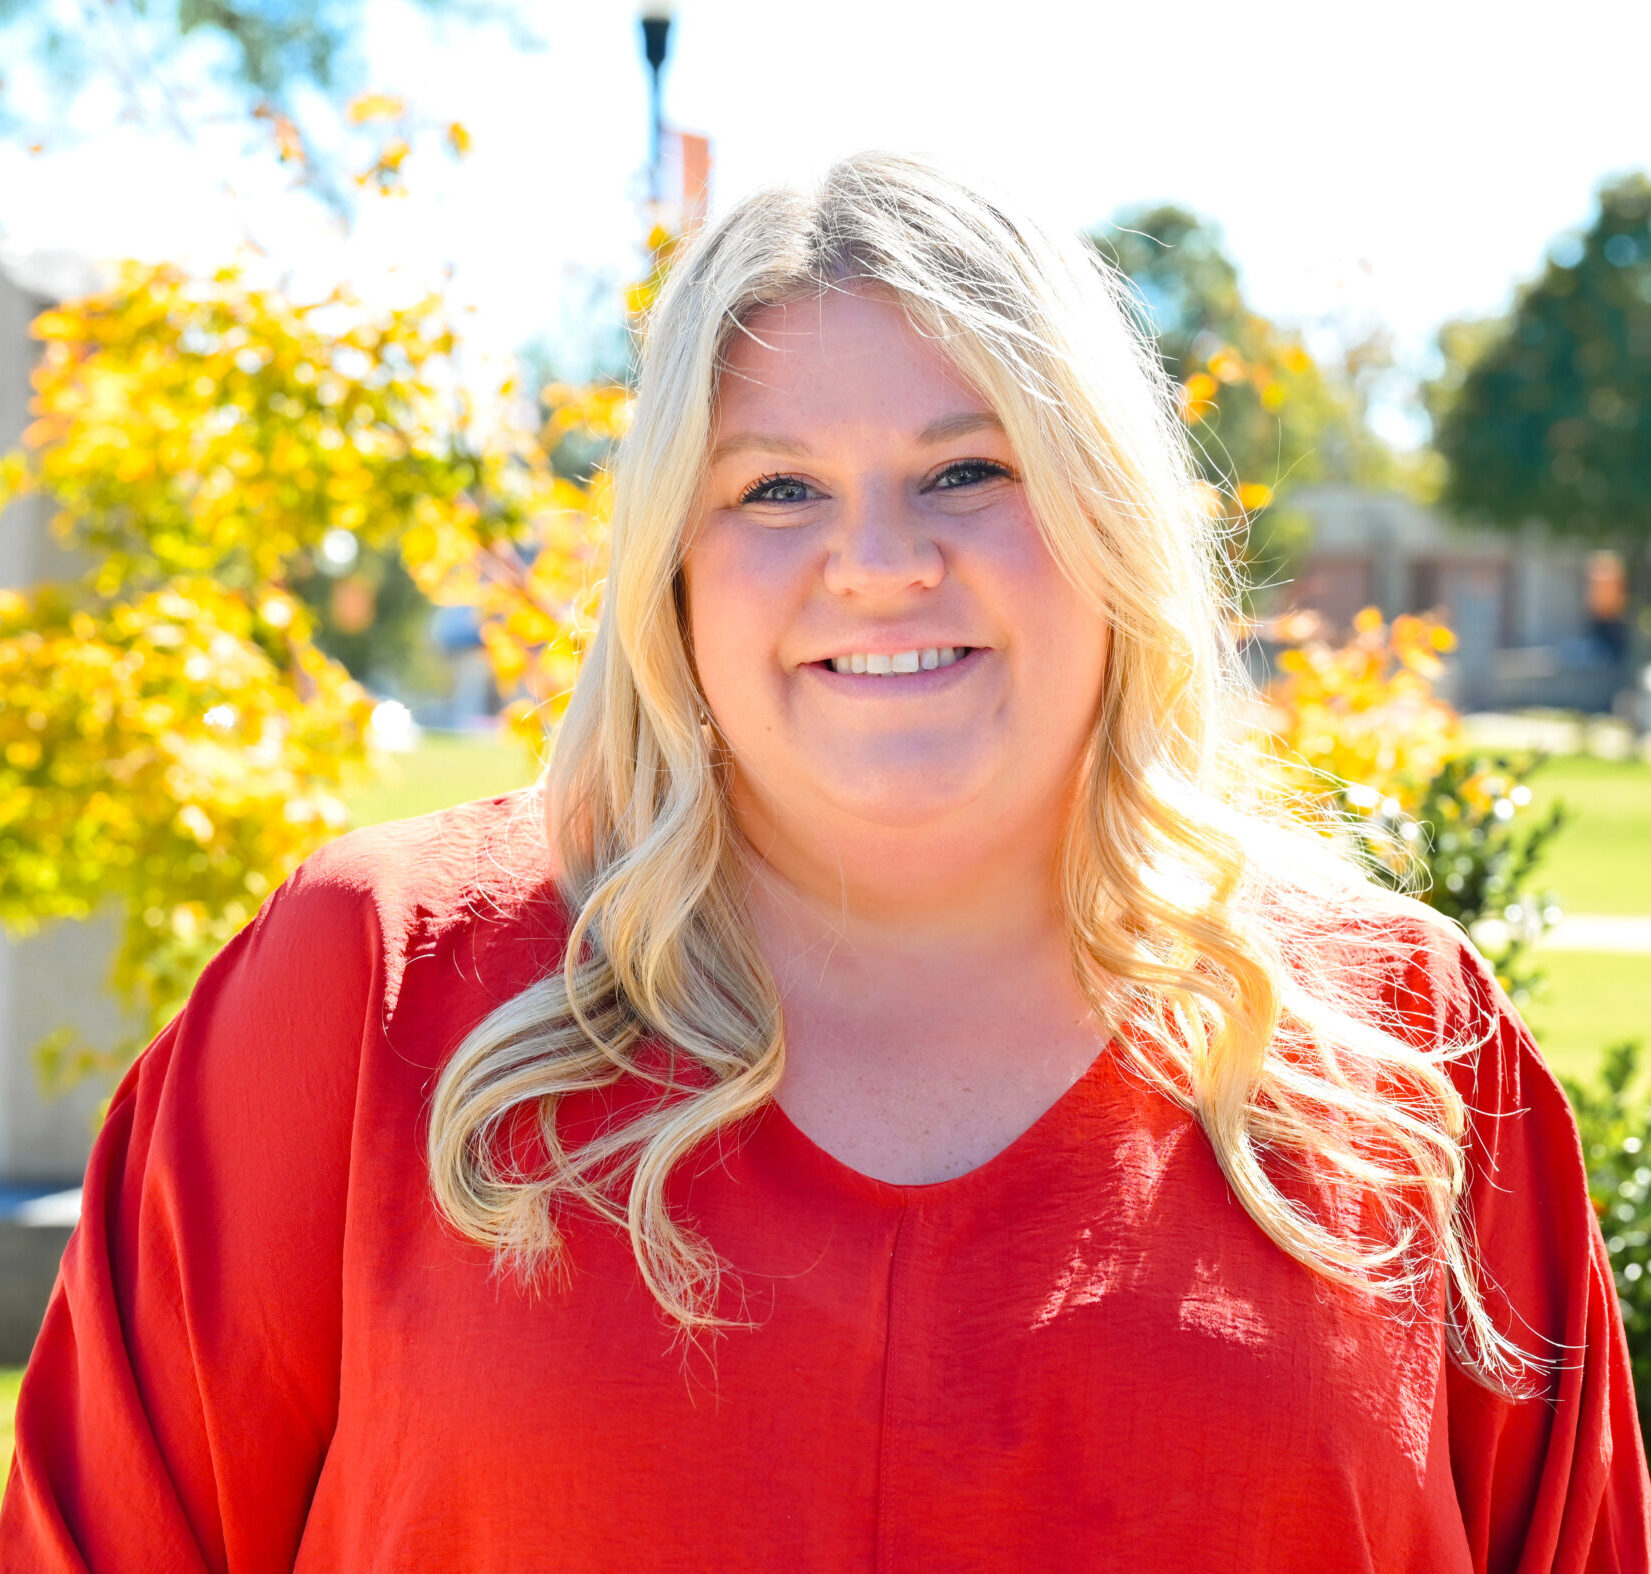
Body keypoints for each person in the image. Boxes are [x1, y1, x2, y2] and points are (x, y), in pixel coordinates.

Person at [2, 153, 1647, 1573]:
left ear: (1111, 520)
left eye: (966, 470)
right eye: (776, 487)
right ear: (673, 572)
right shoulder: (376, 988)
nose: (877, 561)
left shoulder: (1404, 1050)